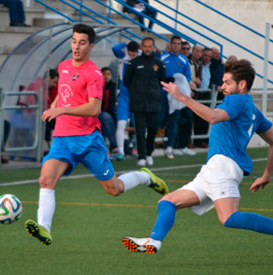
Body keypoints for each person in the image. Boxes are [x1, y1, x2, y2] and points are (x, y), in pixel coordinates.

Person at [122, 59, 273, 258]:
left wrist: (182, 97)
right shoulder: (253, 110)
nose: (222, 86)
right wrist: (266, 175)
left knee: (229, 218)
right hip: (213, 169)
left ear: (241, 85)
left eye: (226, 82)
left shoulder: (237, 100)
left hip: (223, 166)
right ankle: (154, 240)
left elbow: (213, 117)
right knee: (168, 202)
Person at [24, 24, 169, 246]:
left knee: (114, 189)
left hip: (88, 140)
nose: (76, 46)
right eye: (74, 41)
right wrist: (54, 108)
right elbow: (64, 96)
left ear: (91, 45)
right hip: (62, 138)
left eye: (82, 43)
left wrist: (61, 109)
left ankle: (144, 176)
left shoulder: (94, 74)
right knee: (46, 179)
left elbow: (94, 109)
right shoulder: (63, 67)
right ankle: (44, 228)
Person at [123, 37, 166, 166]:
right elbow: (127, 81)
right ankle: (141, 156)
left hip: (154, 102)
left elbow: (161, 80)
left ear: (153, 47)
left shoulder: (159, 63)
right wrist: (136, 92)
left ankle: (149, 153)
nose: (147, 49)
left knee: (153, 129)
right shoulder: (134, 63)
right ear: (141, 47)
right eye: (145, 46)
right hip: (138, 103)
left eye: (150, 46)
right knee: (140, 130)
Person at [160, 35, 191, 159]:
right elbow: (157, 73)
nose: (176, 46)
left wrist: (178, 80)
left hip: (176, 96)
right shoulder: (162, 58)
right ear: (170, 44)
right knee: (158, 119)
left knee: (174, 121)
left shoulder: (184, 60)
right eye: (174, 43)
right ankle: (150, 147)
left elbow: (187, 77)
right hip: (163, 94)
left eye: (179, 44)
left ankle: (169, 148)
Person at [112, 40, 140, 160]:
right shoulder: (122, 53)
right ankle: (121, 152)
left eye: (134, 53)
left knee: (139, 124)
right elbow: (115, 48)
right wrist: (125, 43)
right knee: (121, 124)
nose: (132, 56)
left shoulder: (140, 55)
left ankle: (138, 149)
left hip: (137, 94)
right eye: (131, 53)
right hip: (124, 94)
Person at [193, 47, 212, 148]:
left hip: (207, 93)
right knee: (198, 118)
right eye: (205, 55)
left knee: (206, 117)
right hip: (198, 93)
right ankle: (197, 140)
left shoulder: (211, 67)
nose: (207, 58)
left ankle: (204, 139)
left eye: (209, 56)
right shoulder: (198, 65)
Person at [99, 67, 117, 152]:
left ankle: (112, 145)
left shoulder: (113, 86)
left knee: (111, 119)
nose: (106, 76)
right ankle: (112, 145)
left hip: (110, 112)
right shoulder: (98, 86)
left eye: (108, 74)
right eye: (104, 74)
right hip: (98, 112)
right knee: (105, 118)